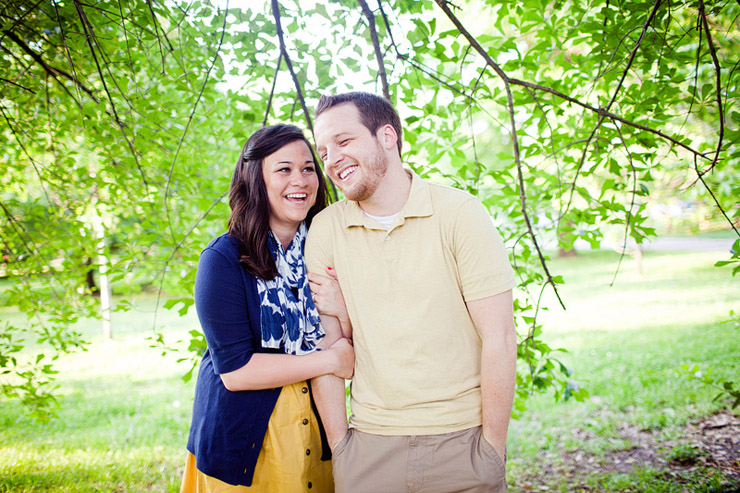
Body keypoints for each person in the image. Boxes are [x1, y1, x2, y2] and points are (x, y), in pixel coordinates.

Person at [306, 92, 517, 492]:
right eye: (324, 150)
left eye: (343, 141)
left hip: (464, 442)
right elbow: (328, 347)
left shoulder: (460, 213)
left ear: (387, 136)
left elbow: (500, 337)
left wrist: (493, 448)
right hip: (368, 447)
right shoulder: (326, 228)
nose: (331, 159)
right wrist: (341, 448)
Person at [181, 124, 354, 492]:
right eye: (284, 169)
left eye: (309, 168)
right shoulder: (223, 259)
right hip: (244, 440)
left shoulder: (327, 251)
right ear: (255, 179)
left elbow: (352, 343)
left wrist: (342, 307)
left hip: (318, 423)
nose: (301, 180)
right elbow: (236, 371)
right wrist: (327, 362)